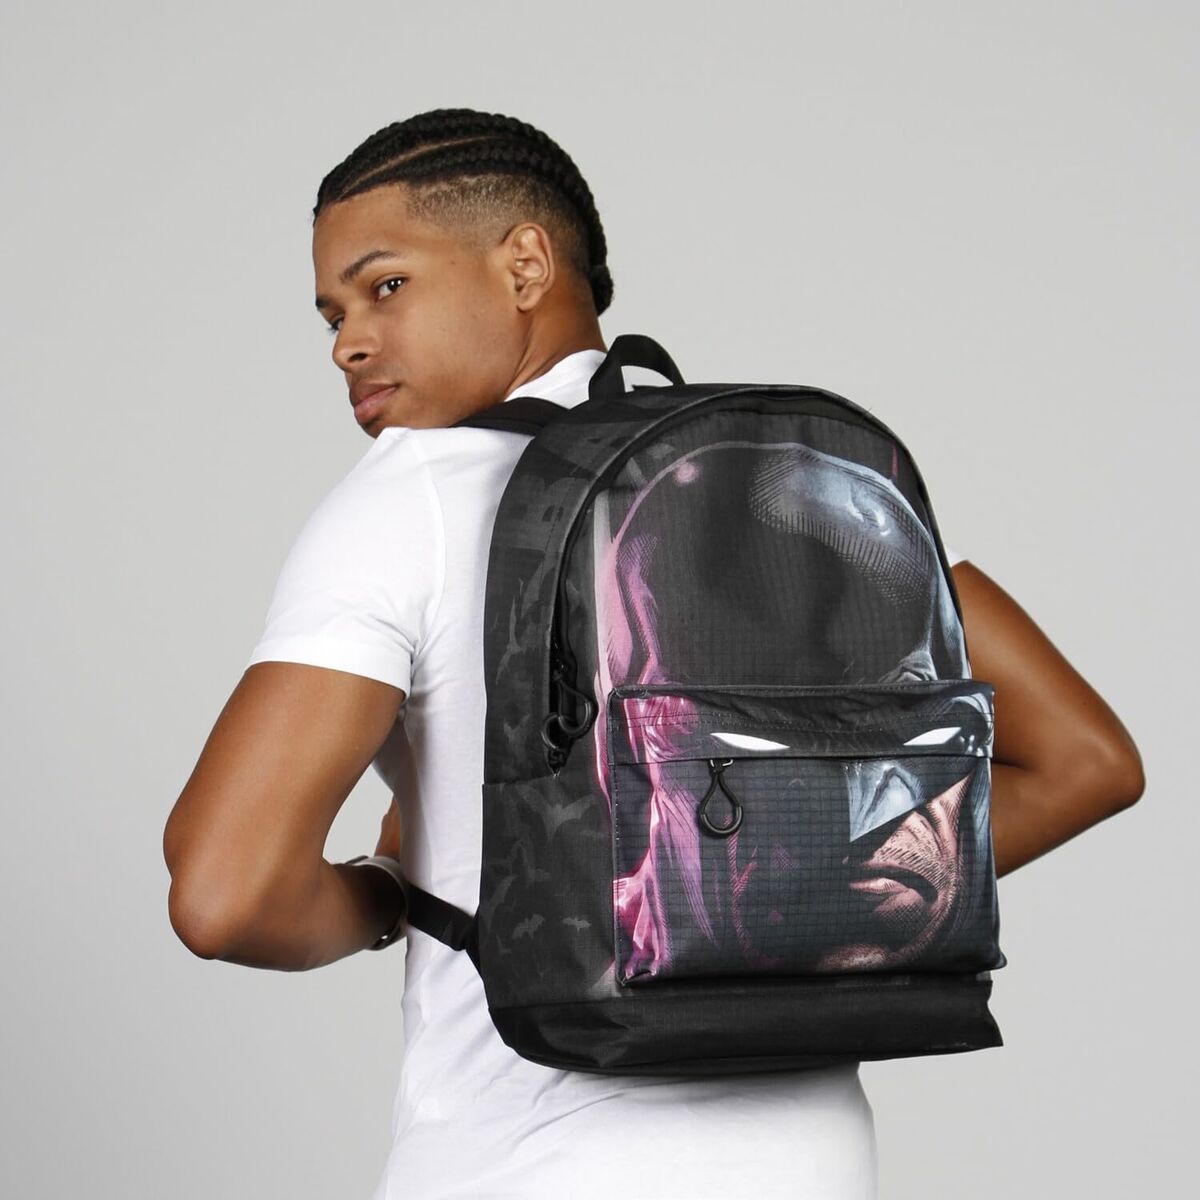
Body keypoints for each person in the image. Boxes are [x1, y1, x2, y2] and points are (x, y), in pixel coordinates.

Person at [163, 108, 1146, 1199]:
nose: (347, 342)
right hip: (811, 1167)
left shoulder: (412, 498)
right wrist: (807, 896)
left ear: (526, 263)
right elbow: (1088, 762)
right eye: (333, 314)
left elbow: (226, 894)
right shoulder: (788, 477)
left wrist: (390, 895)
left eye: (384, 286)